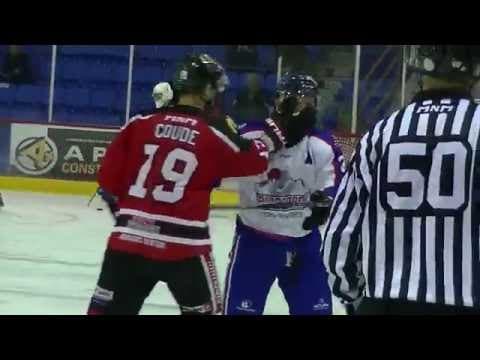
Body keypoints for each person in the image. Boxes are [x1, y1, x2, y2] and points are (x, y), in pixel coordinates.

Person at [87, 54, 286, 315]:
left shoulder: (139, 124)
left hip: (127, 244)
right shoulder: (211, 132)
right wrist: (273, 135)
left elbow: (108, 183)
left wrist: (132, 219)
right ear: (205, 89)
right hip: (184, 247)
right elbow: (255, 162)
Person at [323, 45, 480, 315]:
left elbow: (341, 232)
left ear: (418, 65)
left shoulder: (381, 132)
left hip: (386, 301)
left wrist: (351, 294)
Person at [223, 73, 346, 315]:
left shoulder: (322, 144)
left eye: (311, 101)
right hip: (254, 243)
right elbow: (219, 166)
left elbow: (335, 185)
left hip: (304, 245)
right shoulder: (249, 136)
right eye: (300, 101)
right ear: (280, 102)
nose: (307, 108)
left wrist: (327, 200)